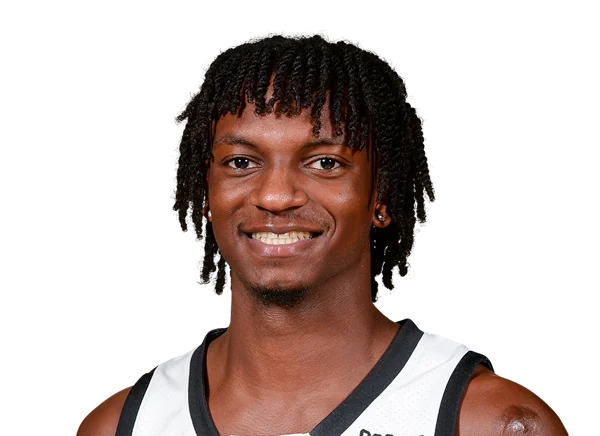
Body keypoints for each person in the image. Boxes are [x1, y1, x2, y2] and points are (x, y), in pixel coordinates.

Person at [77, 31, 568, 436]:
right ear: (206, 192)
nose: (275, 196)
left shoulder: (484, 423)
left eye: (325, 163)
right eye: (241, 162)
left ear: (380, 195)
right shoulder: (122, 427)